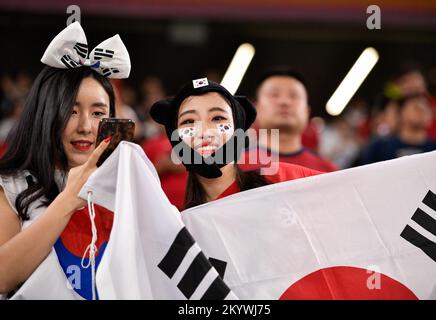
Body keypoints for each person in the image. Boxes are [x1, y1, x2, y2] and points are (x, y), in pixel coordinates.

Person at [0, 22, 131, 299]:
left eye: (98, 113)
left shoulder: (126, 187)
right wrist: (70, 198)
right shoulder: (10, 185)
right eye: (71, 111)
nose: (85, 126)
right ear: (46, 114)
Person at [150, 78, 322, 209]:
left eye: (218, 118)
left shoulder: (283, 179)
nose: (204, 131)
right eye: (188, 121)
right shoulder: (168, 215)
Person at [242, 68, 338, 172]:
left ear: (306, 111)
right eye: (274, 95)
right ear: (257, 109)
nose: (284, 102)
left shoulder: (328, 172)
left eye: (294, 96)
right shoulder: (232, 169)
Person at [360, 94, 436, 165]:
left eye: (426, 108)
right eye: (416, 107)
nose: (423, 111)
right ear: (401, 113)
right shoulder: (379, 149)